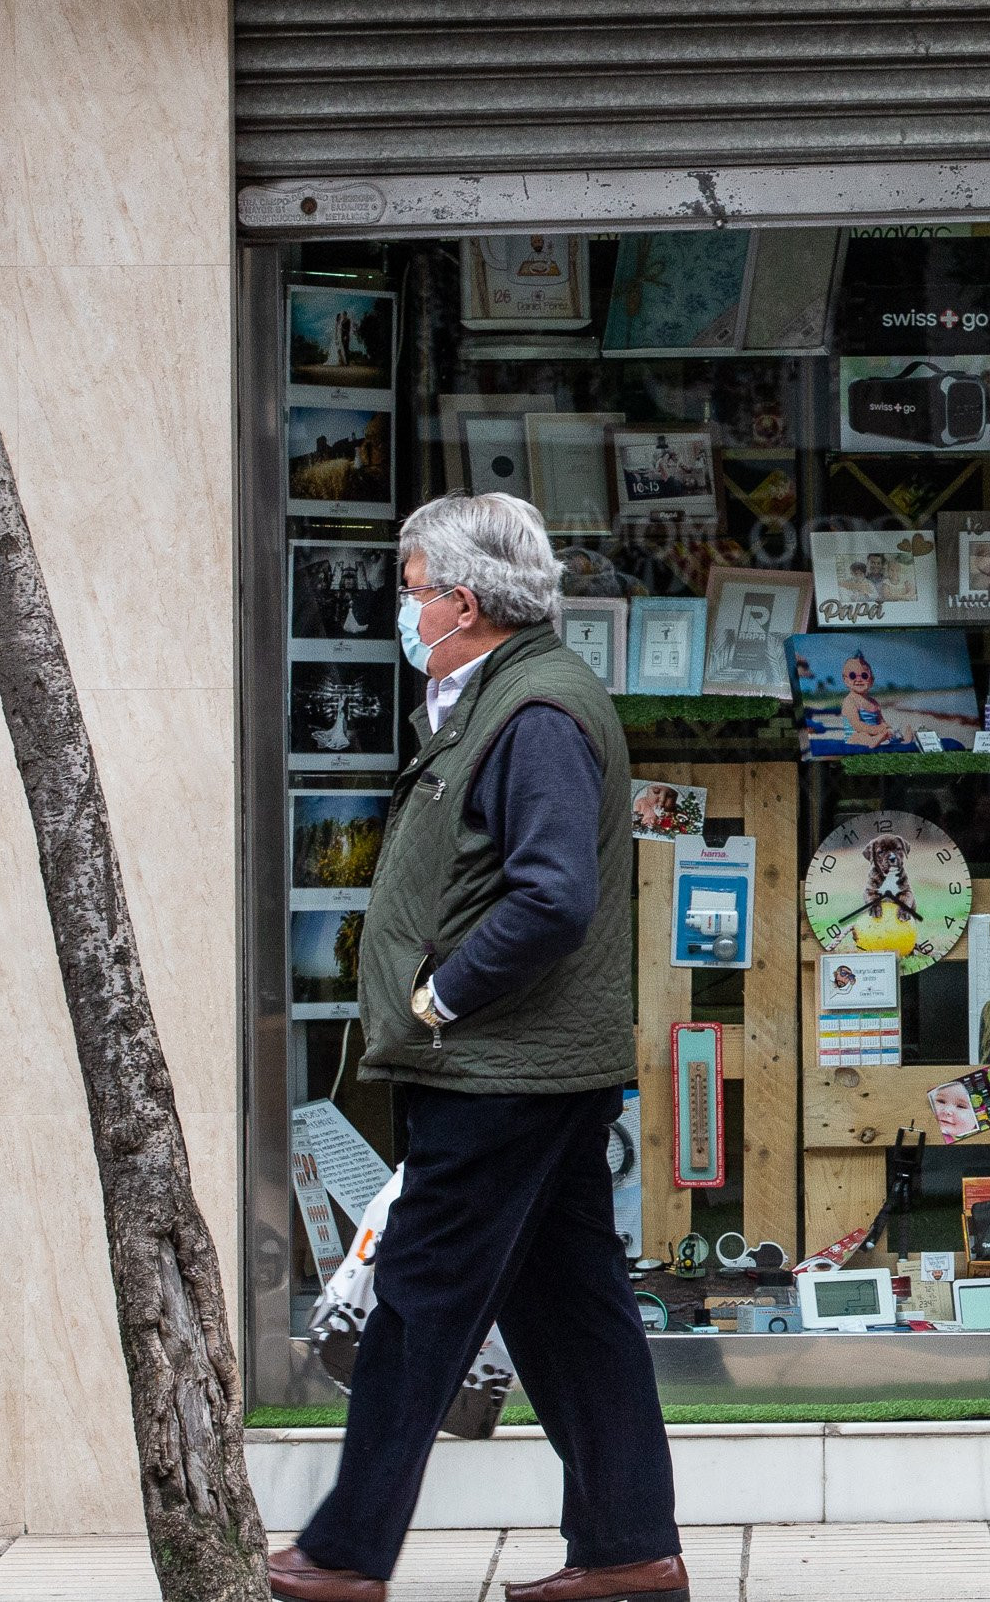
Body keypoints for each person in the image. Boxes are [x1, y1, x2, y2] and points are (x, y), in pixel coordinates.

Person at [270, 494, 682, 1602]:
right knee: (572, 1305)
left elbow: (552, 896)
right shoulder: (495, 696)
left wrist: (441, 997)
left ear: (462, 599)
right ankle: (629, 1548)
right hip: (522, 1064)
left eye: (411, 593)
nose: (405, 614)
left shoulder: (534, 712)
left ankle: (344, 1552)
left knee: (417, 1292)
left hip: (501, 1065)